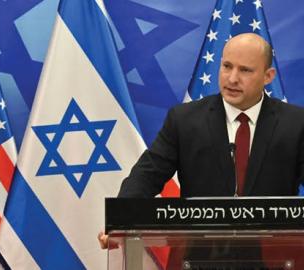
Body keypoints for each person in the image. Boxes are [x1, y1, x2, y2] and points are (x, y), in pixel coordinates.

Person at [99, 32, 304, 266]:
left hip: (276, 260)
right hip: (199, 260)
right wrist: (120, 224)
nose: (232, 78)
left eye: (245, 70)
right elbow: (147, 175)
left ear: (268, 76)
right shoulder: (185, 119)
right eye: (227, 66)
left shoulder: (296, 124)